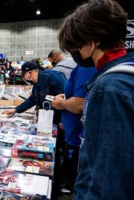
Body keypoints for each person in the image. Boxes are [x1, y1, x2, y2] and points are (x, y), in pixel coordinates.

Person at [58, 0, 134, 199]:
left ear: (90, 44)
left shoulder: (108, 89)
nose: (75, 53)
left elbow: (108, 183)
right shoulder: (130, 71)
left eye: (75, 46)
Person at [51, 65, 96, 194]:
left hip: (78, 132)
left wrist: (62, 103)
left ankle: (70, 186)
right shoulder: (82, 67)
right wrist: (65, 96)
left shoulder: (87, 68)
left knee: (73, 162)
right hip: (72, 128)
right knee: (69, 159)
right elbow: (81, 95)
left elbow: (80, 103)